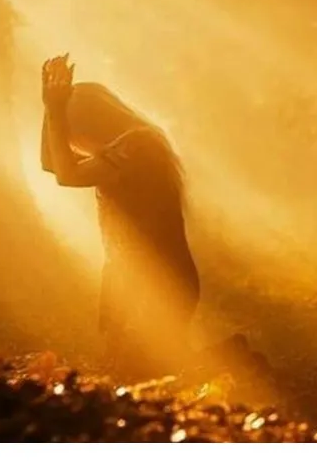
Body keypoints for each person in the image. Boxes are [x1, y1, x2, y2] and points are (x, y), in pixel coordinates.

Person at [39, 54, 200, 376]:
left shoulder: (137, 146)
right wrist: (50, 107)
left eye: (70, 128)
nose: (68, 140)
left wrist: (56, 111)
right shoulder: (122, 147)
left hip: (159, 281)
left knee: (144, 373)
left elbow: (65, 174)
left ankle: (240, 368)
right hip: (130, 278)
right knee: (135, 371)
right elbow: (52, 164)